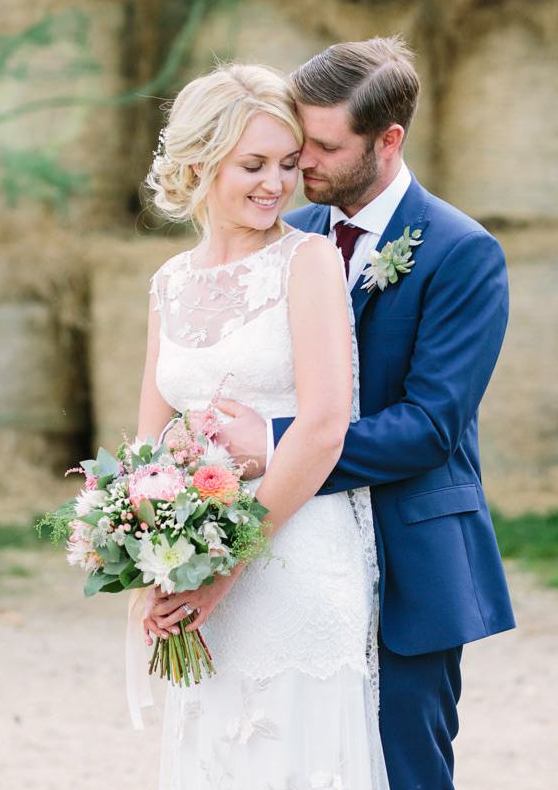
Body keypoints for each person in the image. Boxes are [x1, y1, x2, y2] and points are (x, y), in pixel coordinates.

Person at [154, 37, 515, 790]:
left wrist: (275, 441)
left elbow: (431, 426)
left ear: (387, 142)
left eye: (317, 148)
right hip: (288, 544)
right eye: (287, 147)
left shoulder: (462, 253)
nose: (297, 166)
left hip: (409, 552)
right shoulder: (284, 236)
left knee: (404, 772)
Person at [138, 63, 390, 789]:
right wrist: (152, 559)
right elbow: (148, 443)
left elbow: (323, 428)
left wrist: (229, 563)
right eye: (253, 165)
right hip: (201, 568)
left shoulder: (306, 262)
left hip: (295, 563)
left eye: (286, 164)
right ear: (197, 164)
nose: (275, 184)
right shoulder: (169, 283)